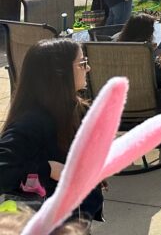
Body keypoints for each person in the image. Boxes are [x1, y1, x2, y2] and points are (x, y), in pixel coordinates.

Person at [0, 39, 103, 222]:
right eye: (82, 63)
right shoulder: (31, 122)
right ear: (59, 73)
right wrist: (47, 169)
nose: (88, 68)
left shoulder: (77, 108)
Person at [118, 13, 161, 102]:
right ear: (148, 33)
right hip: (148, 103)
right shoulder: (144, 53)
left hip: (121, 101)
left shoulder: (117, 49)